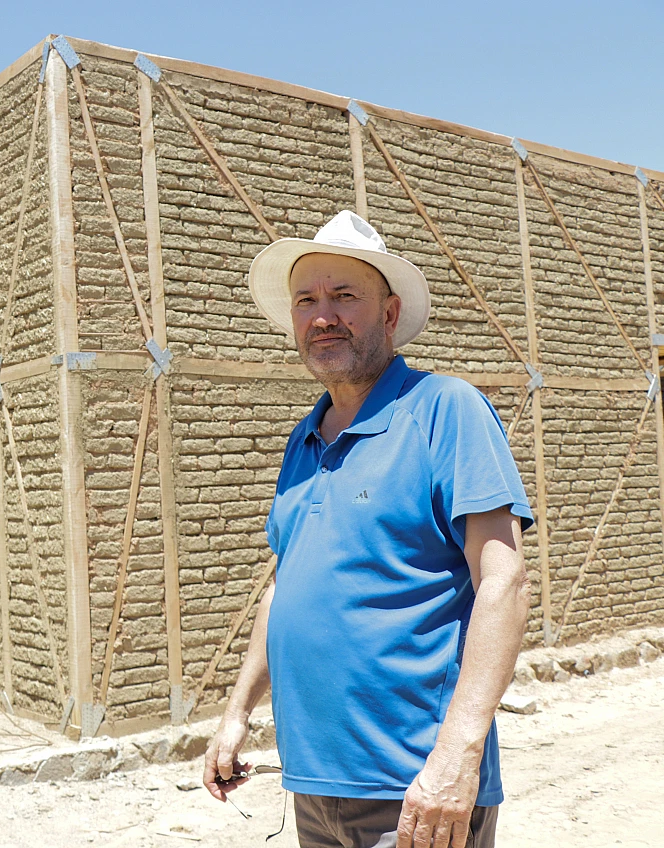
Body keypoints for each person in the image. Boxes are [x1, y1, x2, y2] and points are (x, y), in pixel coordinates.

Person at [201, 210, 534, 848]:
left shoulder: (445, 409)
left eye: (344, 296)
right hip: (315, 786)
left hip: (415, 790)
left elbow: (505, 582)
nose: (323, 315)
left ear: (388, 314)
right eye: (307, 300)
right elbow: (284, 587)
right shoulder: (303, 441)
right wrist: (238, 713)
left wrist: (458, 756)